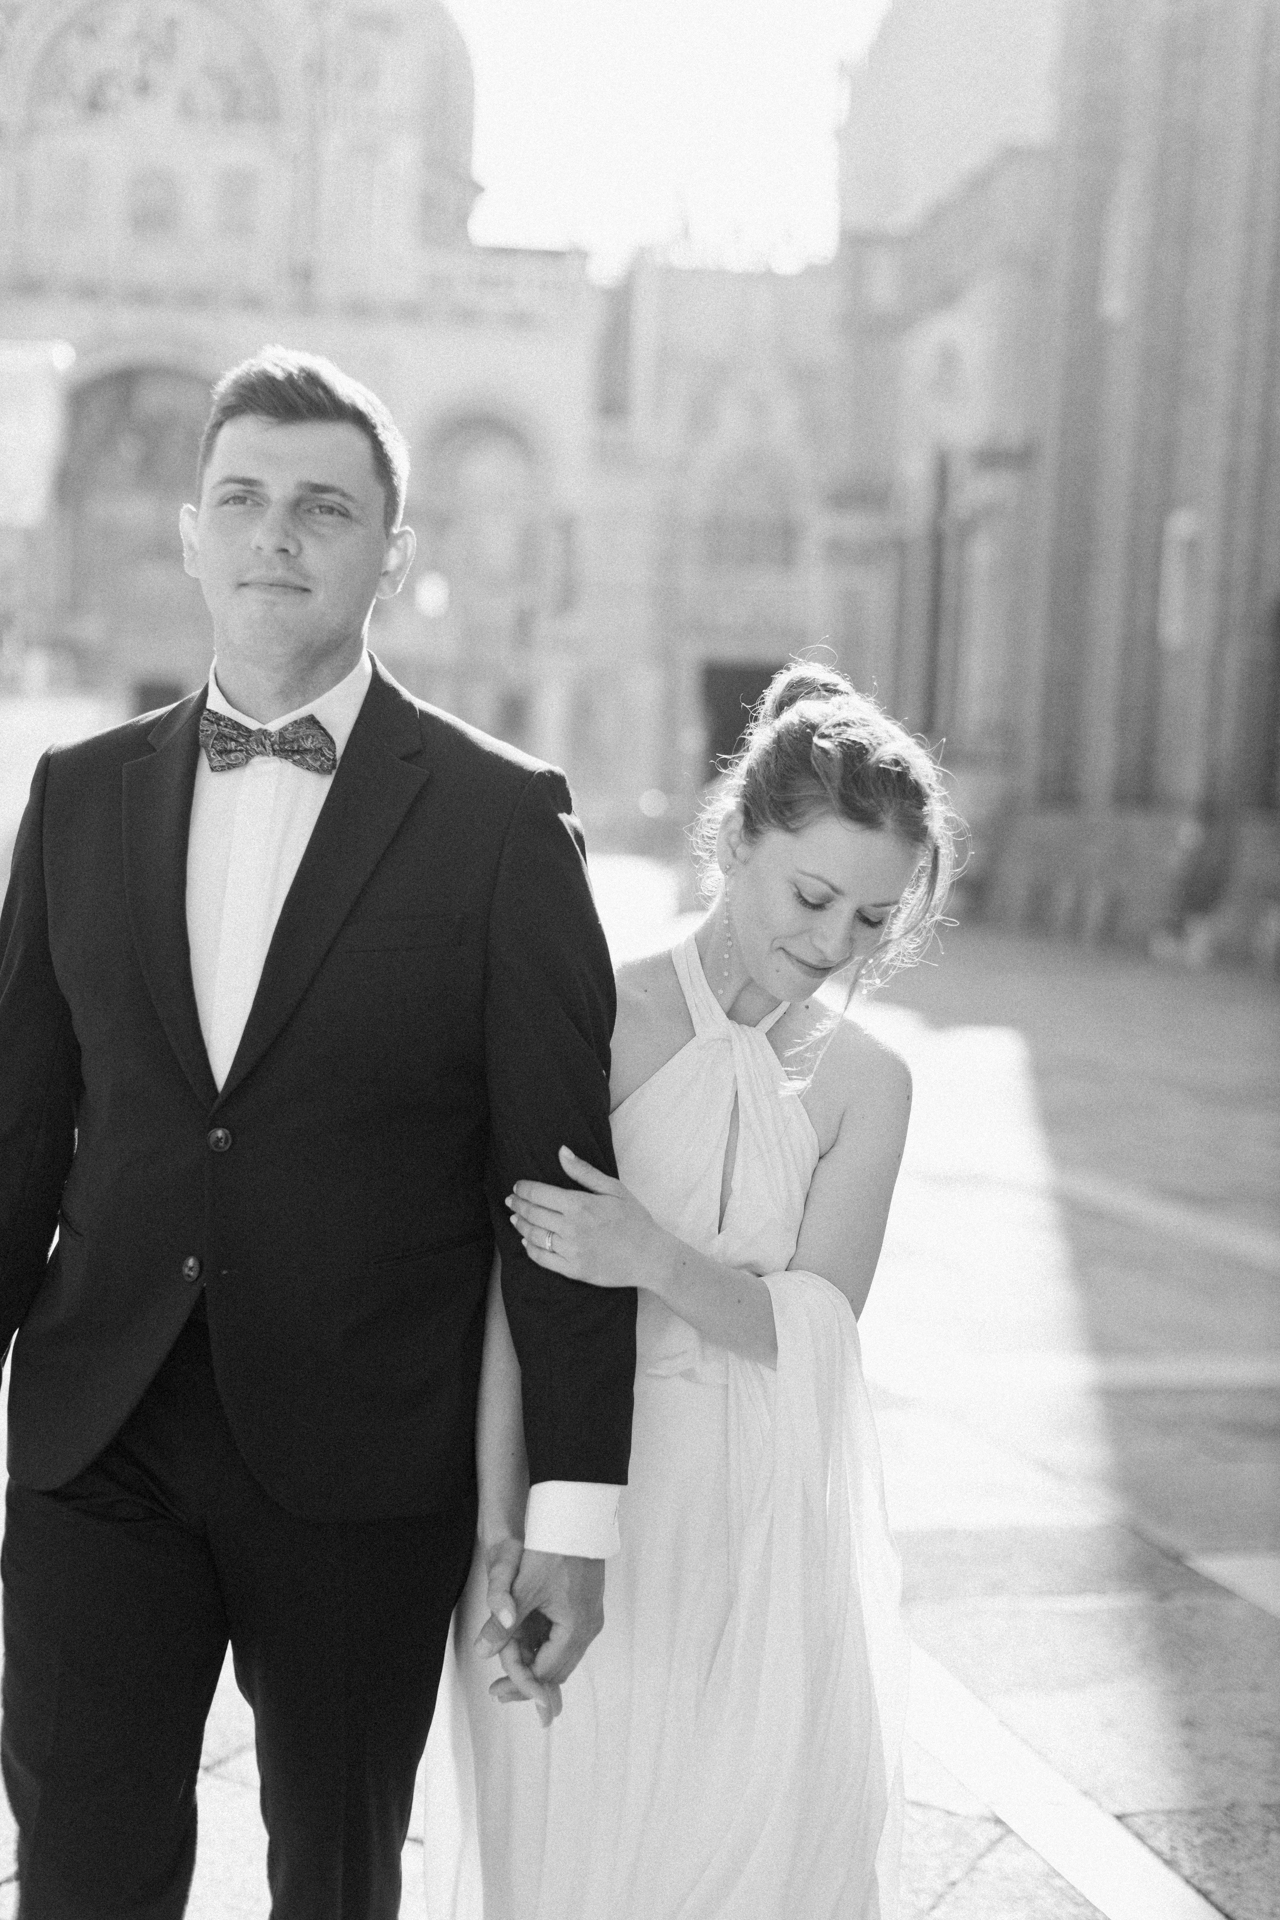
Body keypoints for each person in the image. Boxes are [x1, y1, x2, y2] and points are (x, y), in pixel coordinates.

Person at [0, 347, 635, 1918]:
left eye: (323, 508)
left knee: (337, 1885)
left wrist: (573, 1513)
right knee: (76, 1874)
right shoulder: (75, 798)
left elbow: (556, 1186)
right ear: (192, 534)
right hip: (99, 1443)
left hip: (364, 1466)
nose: (277, 534)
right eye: (245, 498)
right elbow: (18, 1141)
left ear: (390, 558)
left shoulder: (501, 821)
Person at [423, 663, 959, 1920]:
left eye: (874, 921)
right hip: (590, 1488)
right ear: (736, 841)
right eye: (812, 896)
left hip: (762, 1526)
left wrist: (651, 1257)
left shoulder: (868, 1086)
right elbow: (508, 1295)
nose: (833, 946)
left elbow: (817, 1327)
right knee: (567, 1862)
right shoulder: (589, 1017)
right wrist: (506, 1526)